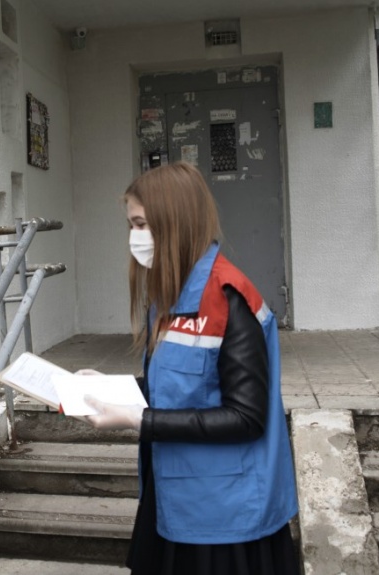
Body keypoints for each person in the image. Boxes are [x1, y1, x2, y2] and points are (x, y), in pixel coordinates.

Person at [80, 162, 299, 575]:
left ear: (174, 222)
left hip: (225, 517)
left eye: (141, 225)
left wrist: (138, 419)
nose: (134, 238)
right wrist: (113, 388)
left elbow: (246, 417)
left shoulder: (229, 298)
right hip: (174, 497)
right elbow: (177, 386)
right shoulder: (170, 296)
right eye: (131, 225)